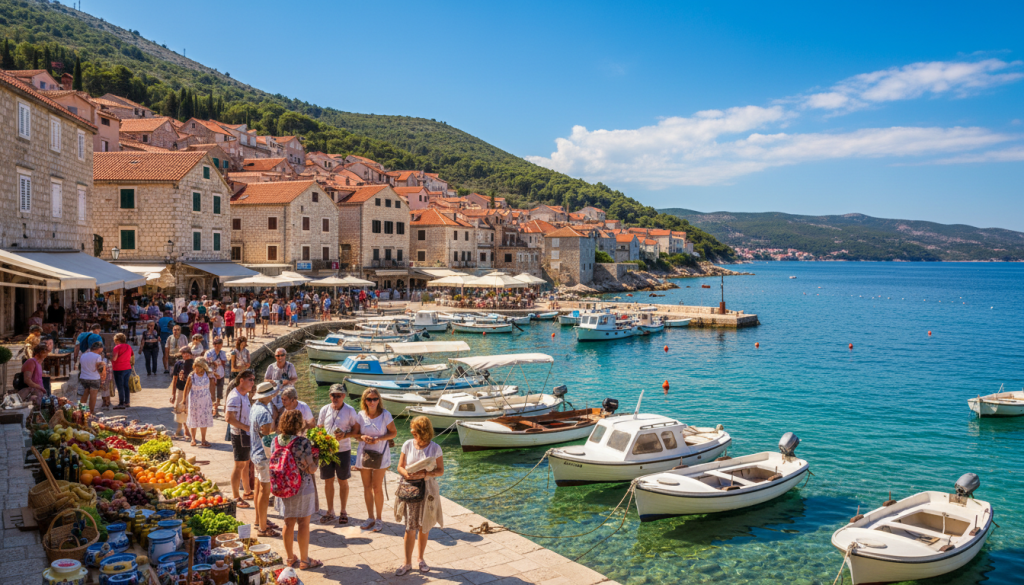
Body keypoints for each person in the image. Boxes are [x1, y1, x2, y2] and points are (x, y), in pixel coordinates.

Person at [271, 410, 322, 571]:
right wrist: (317, 457)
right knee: (304, 523)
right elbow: (311, 468)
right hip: (301, 486)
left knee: (288, 522)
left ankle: (290, 558)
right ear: (299, 424)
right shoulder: (302, 442)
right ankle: (305, 560)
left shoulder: (276, 441)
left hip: (283, 486)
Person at [395, 416, 445, 576]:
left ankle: (420, 559)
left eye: (415, 431)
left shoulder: (435, 448)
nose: (412, 433)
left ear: (423, 432)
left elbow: (441, 471)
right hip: (410, 488)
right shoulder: (408, 444)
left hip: (428, 490)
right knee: (409, 527)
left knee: (424, 526)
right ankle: (407, 562)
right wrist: (407, 474)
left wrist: (425, 472)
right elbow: (400, 466)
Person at [355, 389, 397, 532]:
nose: (372, 402)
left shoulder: (385, 415)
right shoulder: (360, 415)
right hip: (365, 454)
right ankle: (370, 517)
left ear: (379, 400)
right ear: (364, 401)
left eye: (374, 399)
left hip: (381, 454)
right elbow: (355, 433)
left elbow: (393, 432)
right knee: (367, 487)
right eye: (369, 399)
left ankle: (379, 518)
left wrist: (379, 438)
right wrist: (362, 437)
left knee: (376, 487)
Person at [316, 384, 358, 525]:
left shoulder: (350, 411)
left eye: (338, 395)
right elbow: (319, 429)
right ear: (330, 396)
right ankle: (330, 511)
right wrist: (320, 440)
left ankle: (343, 511)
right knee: (328, 480)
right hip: (326, 451)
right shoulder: (324, 409)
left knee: (342, 481)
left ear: (344, 396)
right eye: (333, 395)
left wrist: (345, 435)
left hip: (343, 450)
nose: (335, 398)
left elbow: (357, 430)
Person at [250, 382, 281, 538]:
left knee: (258, 488)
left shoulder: (255, 407)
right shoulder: (264, 413)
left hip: (255, 452)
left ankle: (258, 520)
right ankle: (263, 528)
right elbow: (267, 434)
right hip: (263, 455)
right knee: (264, 490)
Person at [225, 370, 253, 507]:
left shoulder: (244, 395)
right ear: (241, 380)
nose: (253, 382)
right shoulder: (234, 397)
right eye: (250, 380)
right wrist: (246, 428)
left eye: (253, 379)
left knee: (246, 463)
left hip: (245, 435)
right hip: (239, 435)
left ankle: (247, 491)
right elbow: (229, 418)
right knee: (239, 465)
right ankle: (236, 497)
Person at [182, 357, 214, 447]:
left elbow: (212, 385)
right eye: (195, 366)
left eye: (199, 367)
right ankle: (193, 439)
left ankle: (203, 440)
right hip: (194, 401)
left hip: (205, 400)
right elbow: (187, 388)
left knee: (204, 419)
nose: (196, 369)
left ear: (203, 367)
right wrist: (184, 400)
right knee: (194, 419)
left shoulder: (207, 374)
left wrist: (213, 398)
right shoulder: (191, 376)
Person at [169, 347, 194, 441]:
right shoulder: (178, 364)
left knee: (189, 411)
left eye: (187, 353)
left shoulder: (195, 364)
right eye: (183, 353)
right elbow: (175, 379)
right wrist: (173, 394)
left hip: (191, 391)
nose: (185, 355)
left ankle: (188, 431)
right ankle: (183, 430)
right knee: (181, 411)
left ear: (191, 354)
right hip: (181, 390)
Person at [79, 341, 105, 413]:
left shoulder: (83, 355)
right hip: (94, 378)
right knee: (93, 396)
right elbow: (99, 368)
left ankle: (82, 411)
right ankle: (91, 412)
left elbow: (80, 365)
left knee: (84, 395)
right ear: (99, 349)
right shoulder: (98, 356)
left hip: (83, 377)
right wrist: (102, 377)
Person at [205, 338, 228, 418]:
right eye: (218, 345)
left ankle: (216, 408)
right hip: (211, 375)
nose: (219, 347)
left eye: (220, 345)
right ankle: (211, 408)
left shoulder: (222, 353)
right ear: (214, 345)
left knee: (219, 392)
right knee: (212, 392)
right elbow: (206, 364)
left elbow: (225, 362)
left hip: (220, 373)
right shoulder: (209, 353)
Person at [111, 333, 134, 409]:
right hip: (127, 368)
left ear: (117, 340)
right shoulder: (128, 346)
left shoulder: (117, 347)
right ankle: (127, 402)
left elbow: (114, 358)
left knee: (120, 386)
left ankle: (121, 402)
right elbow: (131, 356)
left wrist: (108, 357)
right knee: (126, 385)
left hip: (118, 368)